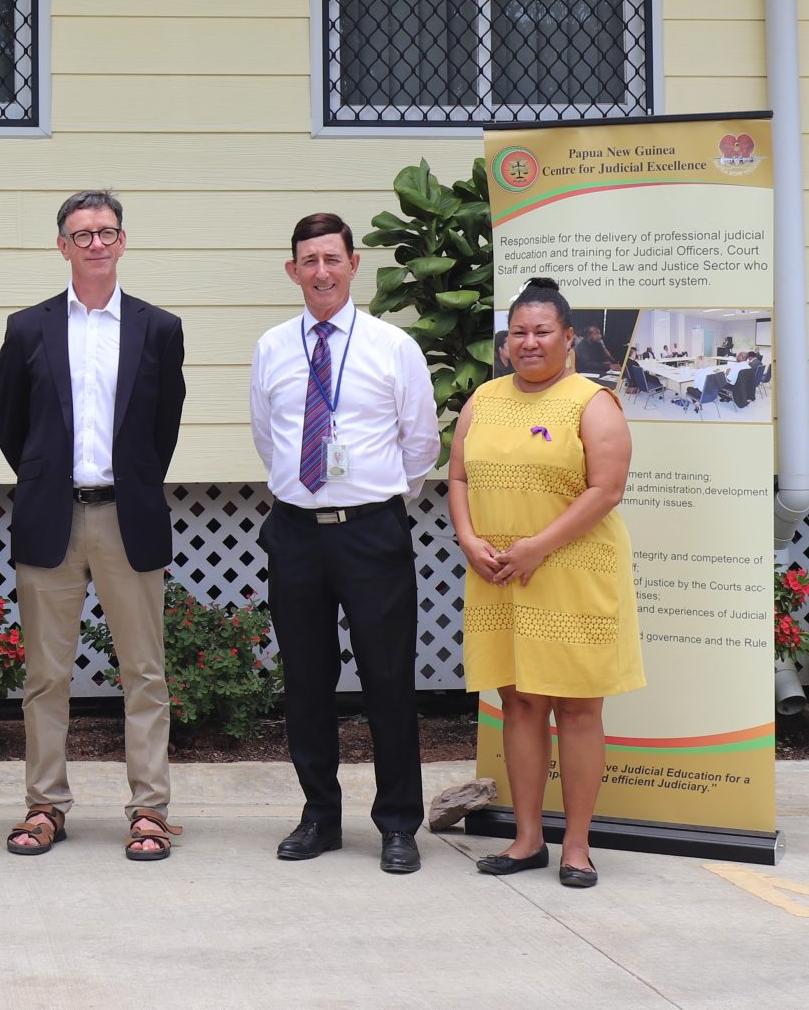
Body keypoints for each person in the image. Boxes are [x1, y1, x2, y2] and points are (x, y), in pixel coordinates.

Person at [0, 190, 186, 861]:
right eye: (82, 233)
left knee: (145, 671)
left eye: (106, 231)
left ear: (123, 241)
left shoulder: (158, 328)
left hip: (127, 517)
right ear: (63, 246)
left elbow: (164, 429)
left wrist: (126, 482)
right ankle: (45, 805)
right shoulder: (27, 329)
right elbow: (12, 428)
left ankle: (150, 810)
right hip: (52, 517)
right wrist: (51, 479)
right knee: (46, 676)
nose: (96, 243)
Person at [248, 213, 439, 875]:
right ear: (293, 270)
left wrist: (377, 499)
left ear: (354, 264)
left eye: (333, 258)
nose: (321, 271)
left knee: (387, 679)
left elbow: (421, 445)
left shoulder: (392, 346)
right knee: (305, 680)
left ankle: (396, 823)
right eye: (309, 260)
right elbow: (267, 435)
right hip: (297, 530)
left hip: (370, 530)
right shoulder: (273, 346)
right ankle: (320, 816)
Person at [449, 278, 641, 889]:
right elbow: (456, 479)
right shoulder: (483, 398)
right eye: (519, 333)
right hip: (499, 574)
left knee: (577, 709)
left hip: (571, 575)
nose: (529, 343)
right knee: (520, 703)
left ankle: (577, 846)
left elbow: (606, 490)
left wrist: (537, 546)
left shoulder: (593, 402)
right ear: (506, 342)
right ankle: (528, 837)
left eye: (543, 332)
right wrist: (467, 537)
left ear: (567, 338)